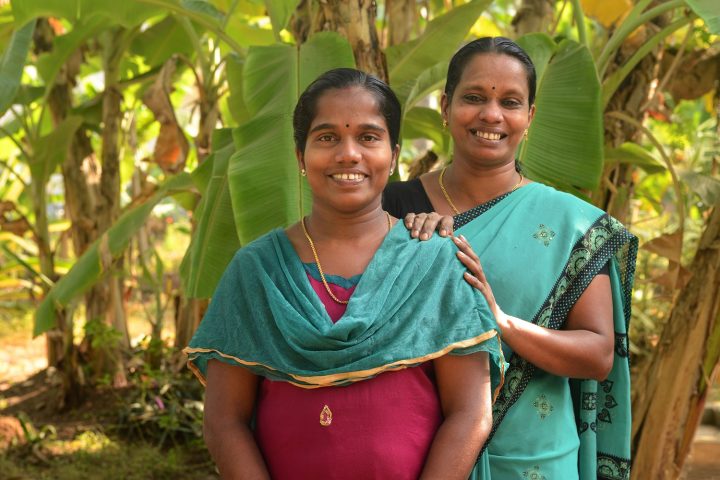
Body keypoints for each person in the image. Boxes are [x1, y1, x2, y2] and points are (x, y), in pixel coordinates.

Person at [184, 68, 505, 480]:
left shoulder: (434, 263)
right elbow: (224, 422)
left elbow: (469, 414)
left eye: (369, 137)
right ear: (300, 157)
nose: (348, 154)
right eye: (327, 137)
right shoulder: (258, 270)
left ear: (393, 154)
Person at [383, 37, 637, 480]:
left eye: (510, 102)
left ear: (530, 117)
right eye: (474, 98)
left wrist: (500, 322)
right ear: (445, 107)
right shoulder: (391, 206)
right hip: (412, 452)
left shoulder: (569, 223)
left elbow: (598, 355)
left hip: (531, 460)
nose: (491, 115)